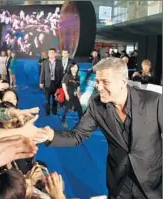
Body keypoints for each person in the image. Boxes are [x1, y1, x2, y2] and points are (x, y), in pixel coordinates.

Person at [34, 57, 162, 199]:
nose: (99, 87)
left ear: (123, 82)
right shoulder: (96, 105)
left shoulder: (154, 102)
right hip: (118, 184)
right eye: (97, 81)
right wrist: (50, 135)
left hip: (152, 185)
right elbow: (78, 135)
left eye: (105, 82)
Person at [40, 48, 63, 116]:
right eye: (49, 53)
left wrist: (61, 84)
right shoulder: (45, 62)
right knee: (47, 100)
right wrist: (41, 82)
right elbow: (42, 73)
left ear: (55, 54)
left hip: (56, 84)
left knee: (55, 99)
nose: (51, 54)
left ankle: (54, 111)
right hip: (47, 83)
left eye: (52, 53)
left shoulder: (59, 62)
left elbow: (61, 73)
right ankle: (47, 112)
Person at [61, 62, 83, 127]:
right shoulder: (67, 75)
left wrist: (78, 93)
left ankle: (81, 122)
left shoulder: (77, 76)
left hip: (75, 95)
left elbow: (78, 86)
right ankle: (63, 120)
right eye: (73, 67)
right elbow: (63, 84)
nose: (75, 68)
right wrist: (66, 94)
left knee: (79, 108)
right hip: (69, 94)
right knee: (67, 108)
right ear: (70, 68)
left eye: (76, 67)